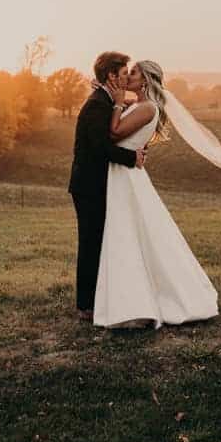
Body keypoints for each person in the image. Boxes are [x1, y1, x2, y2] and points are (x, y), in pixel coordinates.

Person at [93, 60, 218, 329]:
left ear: (146, 80)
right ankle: (126, 297)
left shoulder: (148, 108)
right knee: (130, 235)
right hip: (122, 174)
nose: (129, 77)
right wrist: (108, 94)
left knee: (131, 234)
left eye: (134, 73)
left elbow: (114, 133)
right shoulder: (139, 105)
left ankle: (144, 302)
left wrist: (116, 102)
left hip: (127, 178)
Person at [67, 52, 146, 321]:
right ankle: (85, 306)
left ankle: (94, 300)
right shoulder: (98, 105)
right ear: (111, 76)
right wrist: (131, 157)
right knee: (90, 243)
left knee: (97, 241)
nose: (126, 78)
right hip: (89, 185)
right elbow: (101, 147)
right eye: (123, 74)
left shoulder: (104, 99)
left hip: (94, 183)